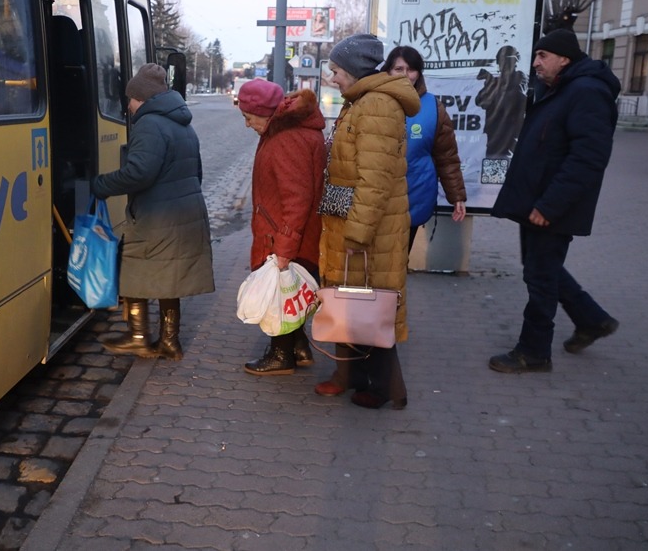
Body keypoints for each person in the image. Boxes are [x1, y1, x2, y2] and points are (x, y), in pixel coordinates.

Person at [489, 28, 621, 373]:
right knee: (540, 268)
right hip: (538, 202)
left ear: (565, 58)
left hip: (552, 206)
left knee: (540, 277)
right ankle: (592, 319)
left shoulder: (587, 92)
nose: (535, 63)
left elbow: (588, 158)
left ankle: (533, 351)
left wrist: (550, 206)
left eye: (542, 56)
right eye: (534, 56)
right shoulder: (560, 89)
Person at [313, 34, 421, 409]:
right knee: (352, 303)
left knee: (373, 308)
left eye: (337, 70)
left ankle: (386, 389)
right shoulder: (361, 101)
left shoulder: (376, 105)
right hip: (353, 221)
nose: (333, 77)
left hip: (370, 230)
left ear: (355, 71)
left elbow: (374, 180)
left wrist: (357, 232)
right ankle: (348, 375)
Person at [90, 63, 215, 360]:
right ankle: (169, 342)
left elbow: (138, 174)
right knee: (168, 277)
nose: (129, 106)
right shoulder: (182, 123)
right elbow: (196, 171)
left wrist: (102, 184)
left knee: (135, 271)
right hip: (184, 211)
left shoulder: (149, 124)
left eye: (130, 100)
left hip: (157, 216)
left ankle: (138, 337)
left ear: (141, 98)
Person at [236, 79, 326, 375]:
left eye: (249, 117)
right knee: (289, 291)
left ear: (263, 112)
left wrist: (284, 250)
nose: (247, 125)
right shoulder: (285, 130)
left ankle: (280, 355)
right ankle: (298, 347)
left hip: (283, 234)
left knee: (279, 291)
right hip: (288, 229)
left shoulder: (287, 139)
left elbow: (296, 199)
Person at [380, 46, 467, 250]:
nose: (405, 75)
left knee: (400, 262)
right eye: (398, 69)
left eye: (410, 69)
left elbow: (447, 157)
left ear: (419, 73)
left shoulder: (433, 107)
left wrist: (457, 196)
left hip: (415, 195)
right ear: (388, 71)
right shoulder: (374, 102)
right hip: (378, 197)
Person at [475, 44, 528, 158]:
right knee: (493, 173)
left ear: (515, 63)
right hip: (495, 138)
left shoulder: (520, 79)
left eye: (509, 61)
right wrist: (490, 82)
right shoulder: (496, 82)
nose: (506, 66)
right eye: (503, 62)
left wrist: (492, 83)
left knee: (512, 170)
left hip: (513, 137)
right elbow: (481, 101)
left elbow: (516, 98)